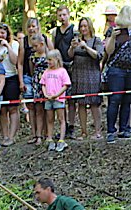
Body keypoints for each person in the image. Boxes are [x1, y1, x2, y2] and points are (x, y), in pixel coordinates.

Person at [104, 5, 131, 143]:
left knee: (128, 100)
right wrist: (113, 37)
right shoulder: (114, 31)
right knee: (115, 99)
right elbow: (108, 51)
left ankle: (124, 128)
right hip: (116, 70)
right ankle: (110, 130)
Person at [69, 17, 103, 140]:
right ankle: (83, 132)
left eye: (85, 26)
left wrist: (86, 47)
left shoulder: (96, 40)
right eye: (81, 26)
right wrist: (72, 47)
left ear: (90, 27)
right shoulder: (76, 40)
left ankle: (97, 131)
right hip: (78, 75)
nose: (83, 28)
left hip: (92, 75)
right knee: (81, 104)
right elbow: (70, 56)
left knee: (94, 104)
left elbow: (99, 55)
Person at [0, 23, 20, 147]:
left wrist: (7, 45)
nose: (0, 35)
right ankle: (5, 135)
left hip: (11, 77)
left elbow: (15, 61)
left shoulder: (14, 44)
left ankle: (12, 136)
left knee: (13, 108)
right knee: (2, 109)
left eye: (3, 32)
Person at [51, 5, 77, 138]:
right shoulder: (55, 32)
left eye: (64, 15)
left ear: (68, 15)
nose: (62, 17)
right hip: (58, 68)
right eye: (60, 15)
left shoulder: (74, 29)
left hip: (71, 65)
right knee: (60, 99)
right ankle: (63, 125)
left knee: (71, 98)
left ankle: (71, 126)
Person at [41, 50, 70, 152]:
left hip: (59, 99)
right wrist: (45, 94)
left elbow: (66, 85)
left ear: (56, 59)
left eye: (50, 60)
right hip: (48, 99)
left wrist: (57, 94)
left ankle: (61, 139)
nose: (48, 62)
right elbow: (43, 84)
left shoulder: (62, 71)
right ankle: (49, 138)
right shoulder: (46, 71)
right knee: (49, 119)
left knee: (61, 119)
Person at [28, 35, 49, 146]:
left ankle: (48, 134)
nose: (34, 48)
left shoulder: (49, 55)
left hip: (49, 84)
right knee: (38, 110)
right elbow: (32, 71)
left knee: (48, 110)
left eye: (36, 46)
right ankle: (38, 135)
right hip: (37, 83)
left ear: (42, 44)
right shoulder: (32, 57)